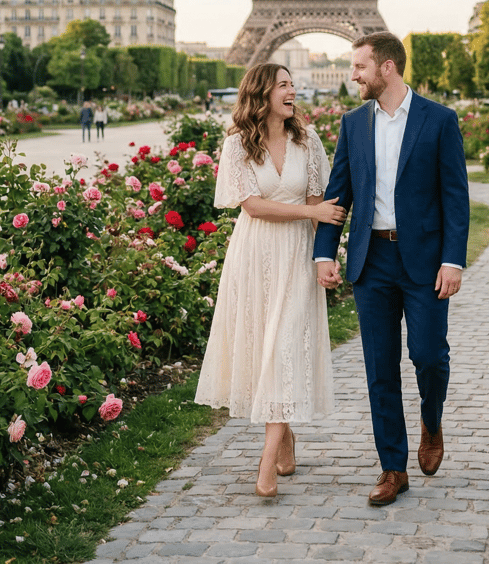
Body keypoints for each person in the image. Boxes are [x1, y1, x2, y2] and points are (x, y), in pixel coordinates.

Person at [314, 31, 470, 507]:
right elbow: (339, 193)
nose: (353, 75)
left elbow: (455, 196)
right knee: (380, 368)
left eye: (360, 66)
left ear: (387, 68)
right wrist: (325, 252)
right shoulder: (352, 123)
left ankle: (432, 417)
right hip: (372, 259)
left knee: (428, 355)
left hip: (425, 261)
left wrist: (453, 259)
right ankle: (392, 468)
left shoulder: (439, 120)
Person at [194, 63, 346, 498]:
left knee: (284, 345)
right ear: (262, 93)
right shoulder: (237, 145)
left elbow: (319, 202)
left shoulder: (308, 139)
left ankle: (266, 460)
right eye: (283, 84)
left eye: (293, 83)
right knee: (266, 347)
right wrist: (310, 213)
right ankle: (285, 437)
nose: (292, 90)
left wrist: (325, 257)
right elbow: (254, 207)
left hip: (298, 255)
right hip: (256, 254)